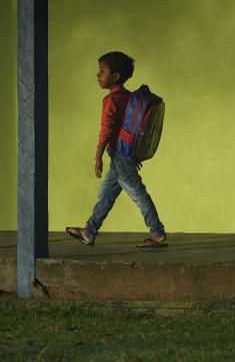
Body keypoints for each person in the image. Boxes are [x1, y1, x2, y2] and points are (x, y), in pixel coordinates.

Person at [66, 51, 167, 248]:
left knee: (137, 192)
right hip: (125, 153)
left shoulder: (111, 100)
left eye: (102, 71)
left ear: (116, 76)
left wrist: (98, 158)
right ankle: (89, 232)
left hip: (119, 154)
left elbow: (106, 130)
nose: (98, 75)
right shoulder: (130, 97)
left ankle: (157, 232)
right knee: (106, 193)